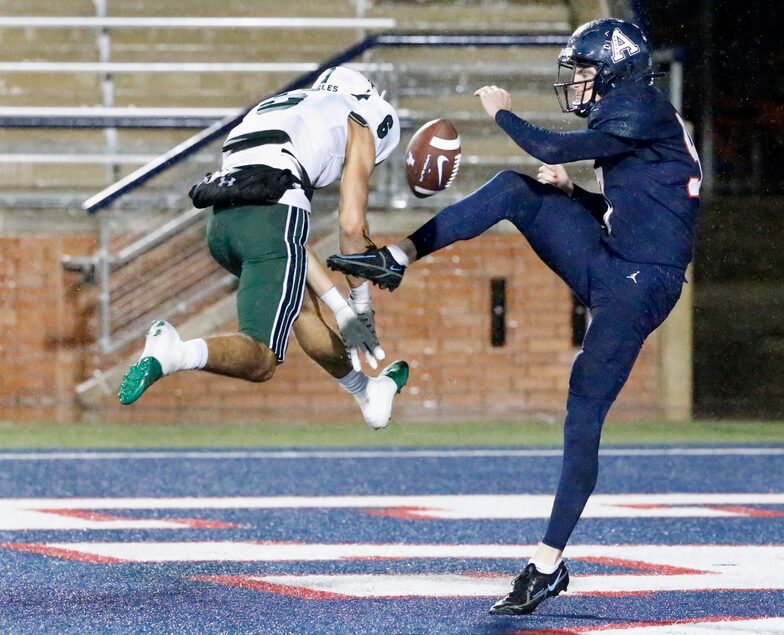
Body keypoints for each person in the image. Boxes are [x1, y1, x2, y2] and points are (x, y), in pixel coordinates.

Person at [328, 19, 702, 613]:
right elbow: (635, 205)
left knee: (584, 412)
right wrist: (576, 196)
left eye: (583, 69)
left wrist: (501, 113)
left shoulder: (643, 107)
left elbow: (553, 147)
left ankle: (546, 563)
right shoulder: (637, 118)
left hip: (639, 284)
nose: (576, 81)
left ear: (614, 68)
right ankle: (399, 257)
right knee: (514, 190)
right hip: (615, 258)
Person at [118, 66, 409, 429]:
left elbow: (293, 244)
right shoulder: (358, 118)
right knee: (261, 361)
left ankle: (366, 392)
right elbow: (351, 225)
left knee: (301, 312)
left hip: (224, 225)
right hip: (272, 214)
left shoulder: (288, 110)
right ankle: (177, 353)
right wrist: (361, 306)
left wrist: (340, 309)